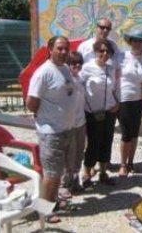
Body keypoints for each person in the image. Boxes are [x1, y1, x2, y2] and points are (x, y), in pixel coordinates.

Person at [26, 36, 76, 223]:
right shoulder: (43, 72)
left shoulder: (64, 68)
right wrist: (47, 116)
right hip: (51, 131)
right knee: (51, 174)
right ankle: (44, 211)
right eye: (60, 49)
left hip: (65, 129)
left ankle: (52, 202)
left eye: (66, 49)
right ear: (50, 50)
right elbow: (31, 103)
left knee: (58, 172)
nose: (64, 52)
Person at [80, 40, 119, 187]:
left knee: (106, 141)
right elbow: (80, 87)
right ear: (95, 51)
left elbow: (113, 89)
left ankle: (103, 172)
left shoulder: (111, 68)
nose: (104, 54)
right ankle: (86, 173)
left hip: (109, 110)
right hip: (92, 112)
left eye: (107, 52)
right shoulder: (87, 68)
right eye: (101, 51)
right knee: (93, 143)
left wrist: (117, 104)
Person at [117, 30, 142, 176]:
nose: (138, 44)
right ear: (130, 42)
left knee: (134, 133)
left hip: (138, 100)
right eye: (135, 40)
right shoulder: (121, 56)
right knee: (126, 133)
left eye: (141, 41)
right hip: (123, 99)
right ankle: (123, 164)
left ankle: (131, 162)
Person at [60, 52, 87, 197]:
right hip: (68, 123)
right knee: (68, 154)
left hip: (80, 122)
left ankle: (75, 178)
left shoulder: (80, 78)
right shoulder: (65, 79)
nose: (77, 65)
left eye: (79, 63)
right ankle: (65, 183)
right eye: (73, 63)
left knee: (79, 153)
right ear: (68, 64)